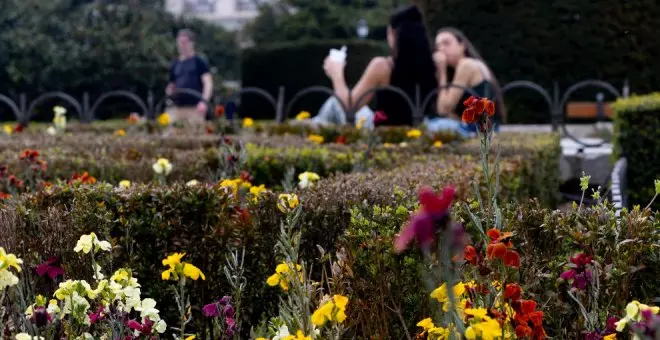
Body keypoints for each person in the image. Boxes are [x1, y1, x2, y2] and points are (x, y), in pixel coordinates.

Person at [315, 5, 437, 129]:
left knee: (335, 103)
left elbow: (349, 106)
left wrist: (336, 73)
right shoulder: (432, 65)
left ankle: (312, 127)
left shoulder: (383, 66)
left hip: (383, 133)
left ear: (393, 34)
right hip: (418, 130)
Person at [427, 27, 505, 136]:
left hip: (478, 130)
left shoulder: (466, 65)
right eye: (438, 46)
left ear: (462, 45)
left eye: (446, 43)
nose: (441, 49)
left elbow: (443, 109)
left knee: (427, 126)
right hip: (481, 126)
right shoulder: (471, 64)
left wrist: (442, 72)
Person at [165, 29, 214, 124]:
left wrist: (204, 102)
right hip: (177, 107)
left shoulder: (199, 62)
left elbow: (208, 83)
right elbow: (172, 84)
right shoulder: (174, 64)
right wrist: (168, 93)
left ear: (192, 43)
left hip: (195, 108)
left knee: (194, 135)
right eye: (180, 42)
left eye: (184, 42)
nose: (181, 45)